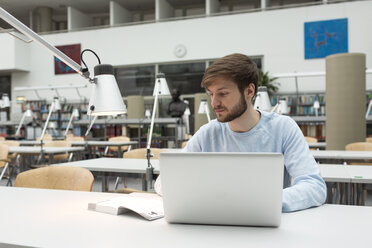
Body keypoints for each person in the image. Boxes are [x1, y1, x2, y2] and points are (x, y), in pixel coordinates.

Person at [155, 53, 327, 212]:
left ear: (249, 91)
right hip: (215, 226)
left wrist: (261, 202)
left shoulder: (283, 128)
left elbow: (314, 187)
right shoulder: (208, 133)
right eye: (211, 94)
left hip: (265, 228)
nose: (214, 103)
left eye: (222, 93)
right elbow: (164, 182)